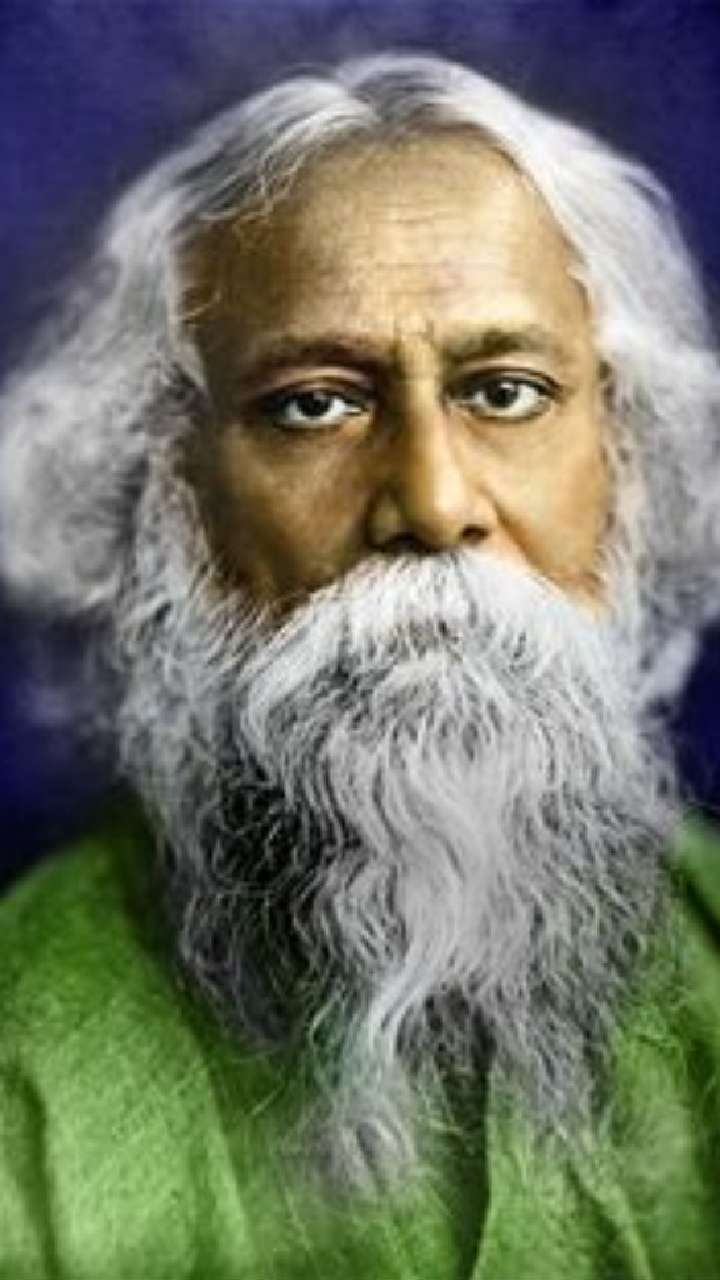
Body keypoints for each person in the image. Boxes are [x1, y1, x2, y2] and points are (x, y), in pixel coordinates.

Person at [1, 51, 720, 1280]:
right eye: (314, 405)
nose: (433, 503)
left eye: (507, 391)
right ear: (171, 489)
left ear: (626, 453)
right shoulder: (24, 1062)